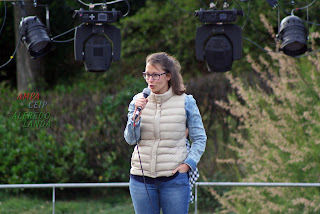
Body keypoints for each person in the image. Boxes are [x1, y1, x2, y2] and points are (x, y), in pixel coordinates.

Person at [124, 52, 207, 214]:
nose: (150, 80)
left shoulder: (186, 101)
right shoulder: (137, 101)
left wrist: (188, 164)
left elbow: (199, 138)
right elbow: (130, 139)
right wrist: (136, 117)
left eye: (155, 75)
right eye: (147, 75)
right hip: (141, 180)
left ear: (168, 75)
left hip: (174, 180)